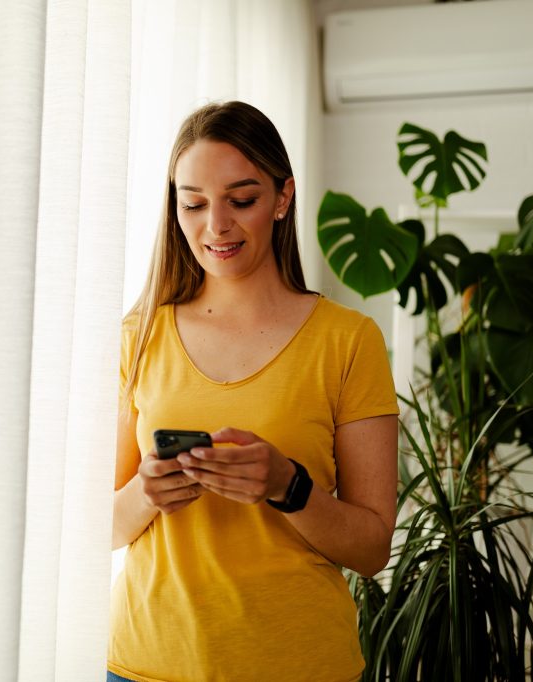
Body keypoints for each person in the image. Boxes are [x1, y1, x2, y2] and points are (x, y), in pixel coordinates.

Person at [107, 101, 399, 682]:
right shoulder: (140, 335)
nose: (215, 226)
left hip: (298, 664)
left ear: (282, 198)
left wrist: (287, 487)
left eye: (241, 200)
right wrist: (148, 492)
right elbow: (105, 526)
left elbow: (371, 549)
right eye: (193, 203)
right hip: (145, 663)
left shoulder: (348, 340)